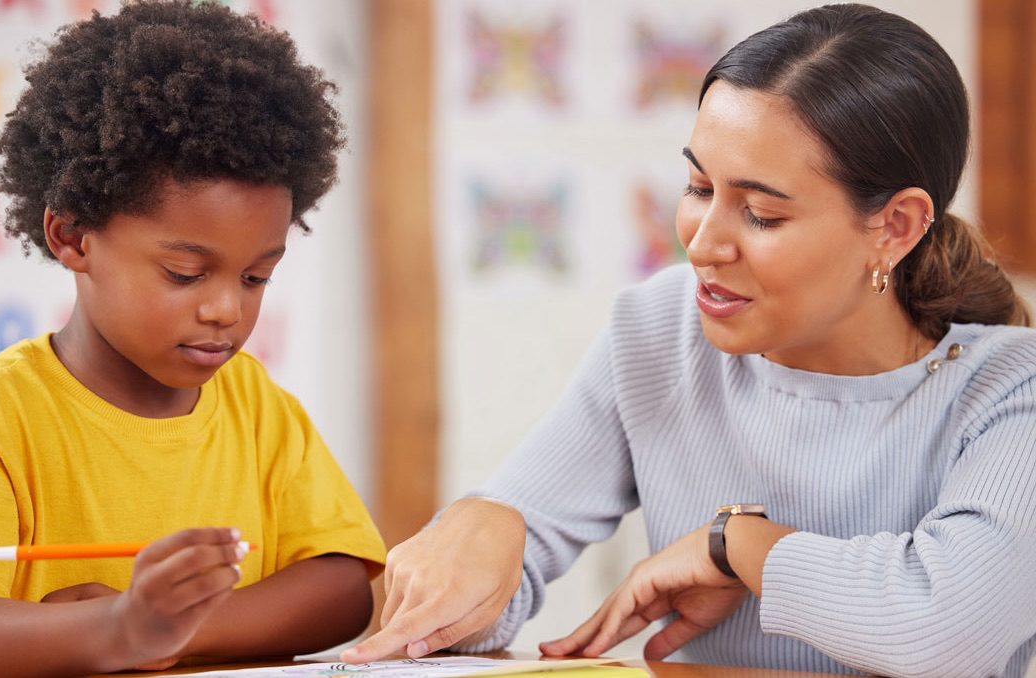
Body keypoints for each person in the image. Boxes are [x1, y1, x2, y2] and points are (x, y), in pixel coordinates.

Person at [343, 4, 1036, 677]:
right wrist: (485, 532)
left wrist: (738, 545)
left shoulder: (1012, 389)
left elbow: (945, 627)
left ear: (895, 226)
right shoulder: (658, 331)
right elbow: (506, 572)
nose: (702, 244)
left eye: (761, 214)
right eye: (698, 186)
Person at [0, 2, 386, 676]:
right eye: (185, 273)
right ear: (72, 236)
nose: (224, 309)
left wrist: (174, 628)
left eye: (256, 276)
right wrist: (118, 628)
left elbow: (344, 590)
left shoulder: (257, 408)